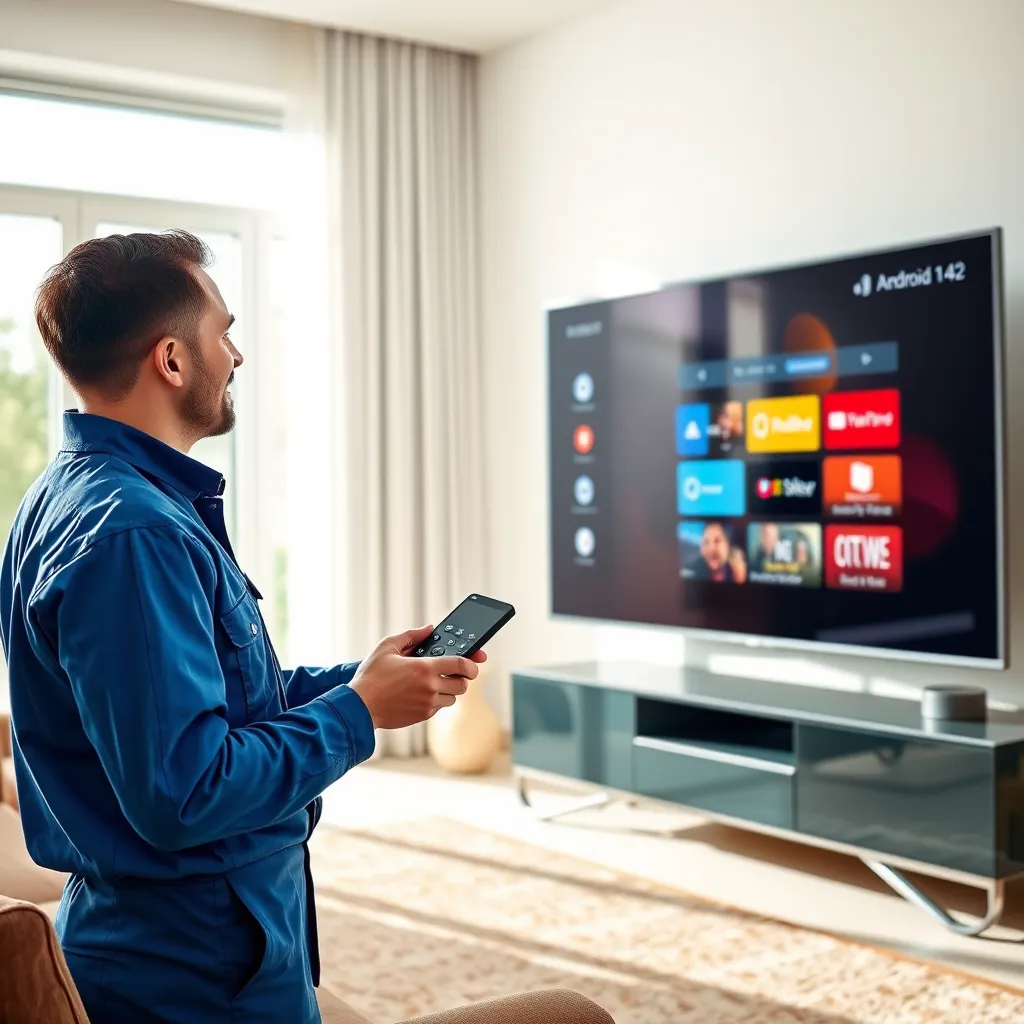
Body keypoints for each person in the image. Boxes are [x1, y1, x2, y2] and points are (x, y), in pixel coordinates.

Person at [0, 231, 485, 1023]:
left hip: (190, 937)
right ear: (172, 359)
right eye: (223, 330)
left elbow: (213, 705)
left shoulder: (70, 498)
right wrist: (360, 714)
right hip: (196, 962)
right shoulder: (135, 534)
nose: (237, 354)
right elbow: (185, 791)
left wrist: (362, 679)